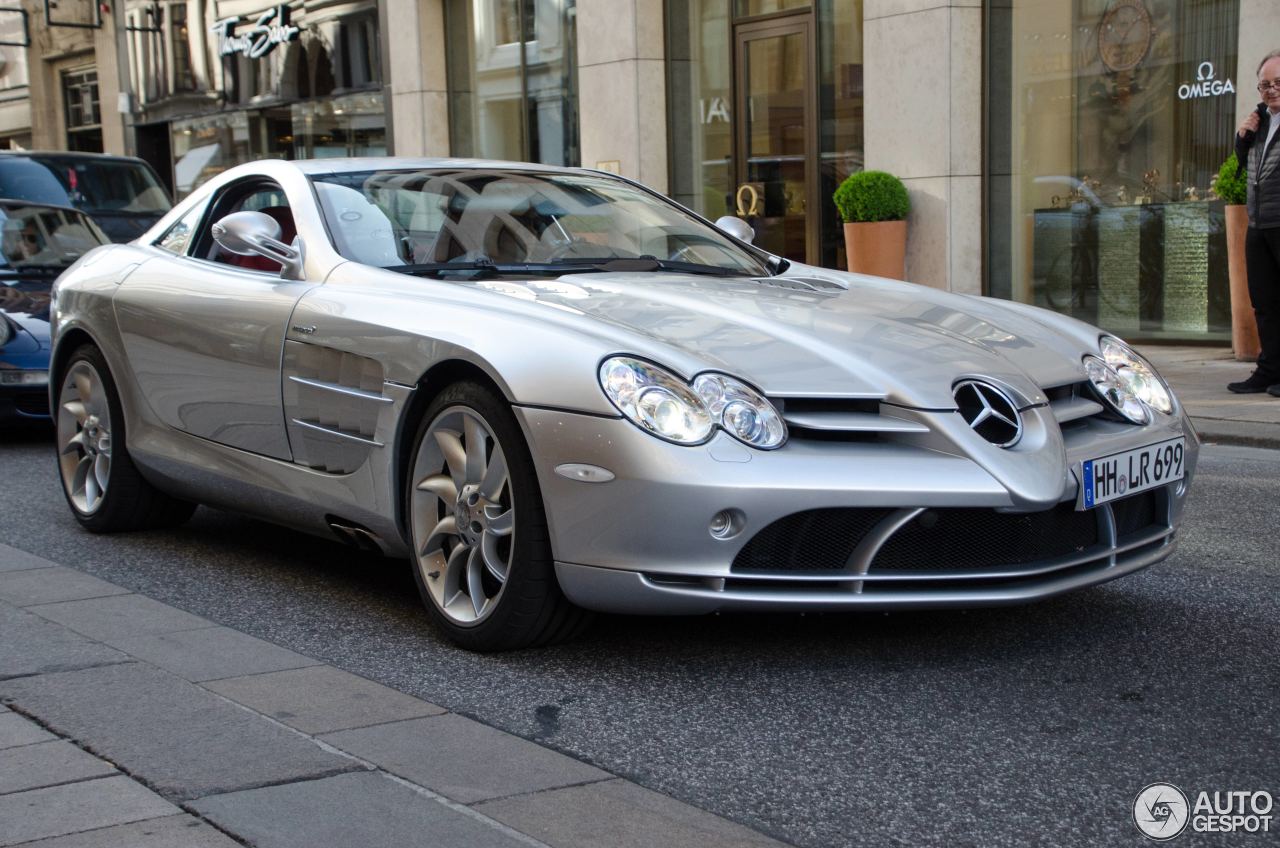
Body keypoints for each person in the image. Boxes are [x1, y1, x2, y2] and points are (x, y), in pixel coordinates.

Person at [1230, 49, 1280, 395]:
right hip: (1260, 222)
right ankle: (1269, 370)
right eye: (1264, 84)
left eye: (1278, 83)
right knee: (1264, 301)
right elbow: (1246, 168)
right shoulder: (1260, 120)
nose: (1271, 89)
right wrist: (1242, 139)